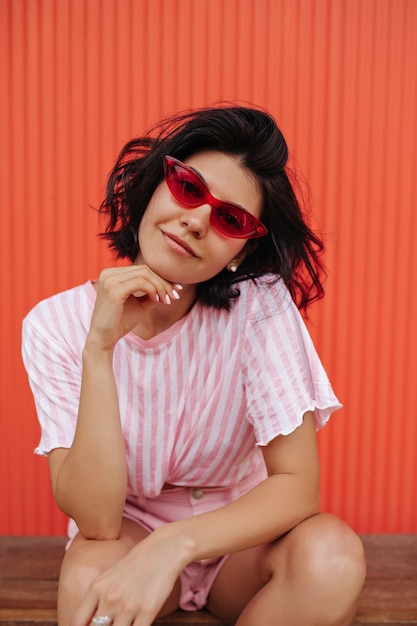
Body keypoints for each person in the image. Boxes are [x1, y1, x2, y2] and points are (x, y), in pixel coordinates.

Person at [22, 105, 365, 626]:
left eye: (230, 218)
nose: (197, 220)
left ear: (239, 252)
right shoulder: (56, 324)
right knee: (89, 583)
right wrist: (100, 350)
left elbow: (297, 486)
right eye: (188, 188)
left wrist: (175, 545)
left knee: (332, 557)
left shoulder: (261, 308)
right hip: (125, 534)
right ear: (153, 187)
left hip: (241, 544)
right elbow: (95, 519)